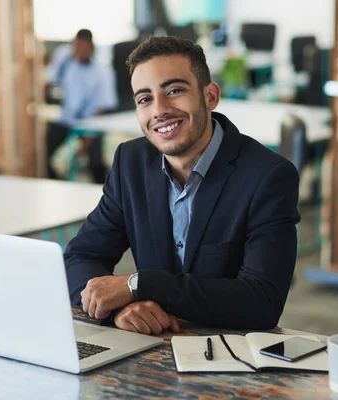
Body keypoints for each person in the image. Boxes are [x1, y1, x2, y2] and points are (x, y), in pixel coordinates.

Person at [64, 36, 300, 334]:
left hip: (229, 356)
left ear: (210, 96)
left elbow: (262, 301)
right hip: (149, 349)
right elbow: (80, 258)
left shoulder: (267, 176)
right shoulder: (131, 162)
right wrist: (122, 309)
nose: (159, 110)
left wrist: (139, 285)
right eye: (145, 99)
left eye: (174, 90)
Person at [46, 29, 118, 183]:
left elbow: (102, 107)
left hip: (91, 123)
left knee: (95, 163)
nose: (79, 52)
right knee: (44, 154)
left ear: (91, 48)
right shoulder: (65, 62)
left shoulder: (102, 72)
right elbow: (49, 81)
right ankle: (57, 183)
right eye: (77, 47)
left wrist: (86, 142)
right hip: (66, 119)